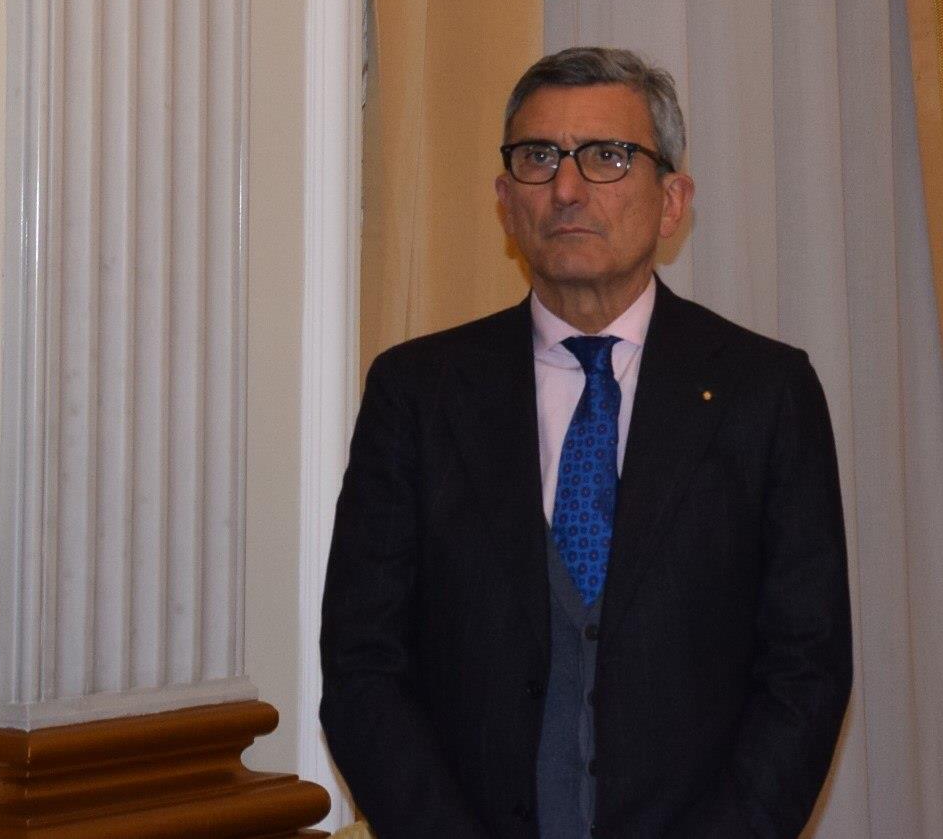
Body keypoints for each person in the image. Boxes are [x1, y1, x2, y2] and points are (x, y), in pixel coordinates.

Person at [320, 47, 851, 838]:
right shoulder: (418, 394)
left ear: (672, 201)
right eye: (539, 158)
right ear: (506, 201)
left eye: (607, 156)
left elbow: (805, 671)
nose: (566, 188)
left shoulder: (764, 394)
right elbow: (363, 666)